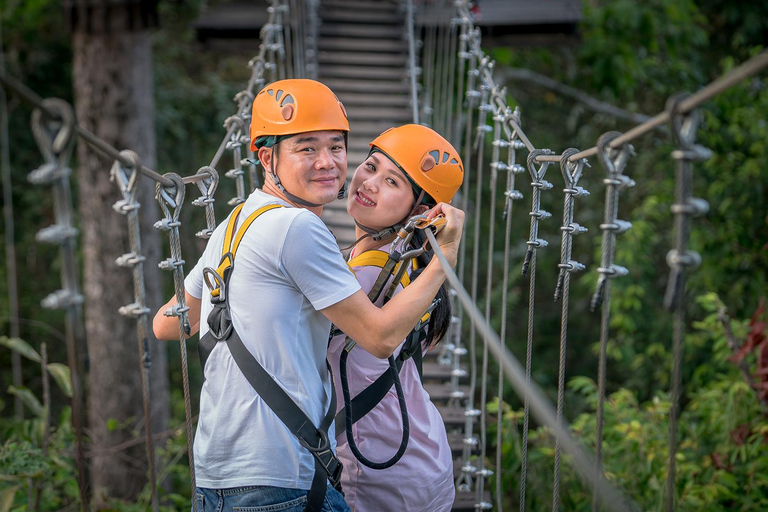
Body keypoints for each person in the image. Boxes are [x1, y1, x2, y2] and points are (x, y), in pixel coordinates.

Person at [152, 80, 465, 512]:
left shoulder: (235, 223)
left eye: (336, 147)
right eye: (306, 149)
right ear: (267, 157)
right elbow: (379, 336)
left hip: (218, 473)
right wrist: (444, 254)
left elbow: (168, 322)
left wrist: (233, 293)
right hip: (281, 475)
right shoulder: (301, 230)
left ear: (420, 211)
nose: (328, 163)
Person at [327, 125, 462, 512]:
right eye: (370, 167)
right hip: (420, 455)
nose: (369, 183)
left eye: (391, 181)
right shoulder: (411, 265)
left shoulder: (365, 277)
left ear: (420, 212)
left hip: (381, 472)